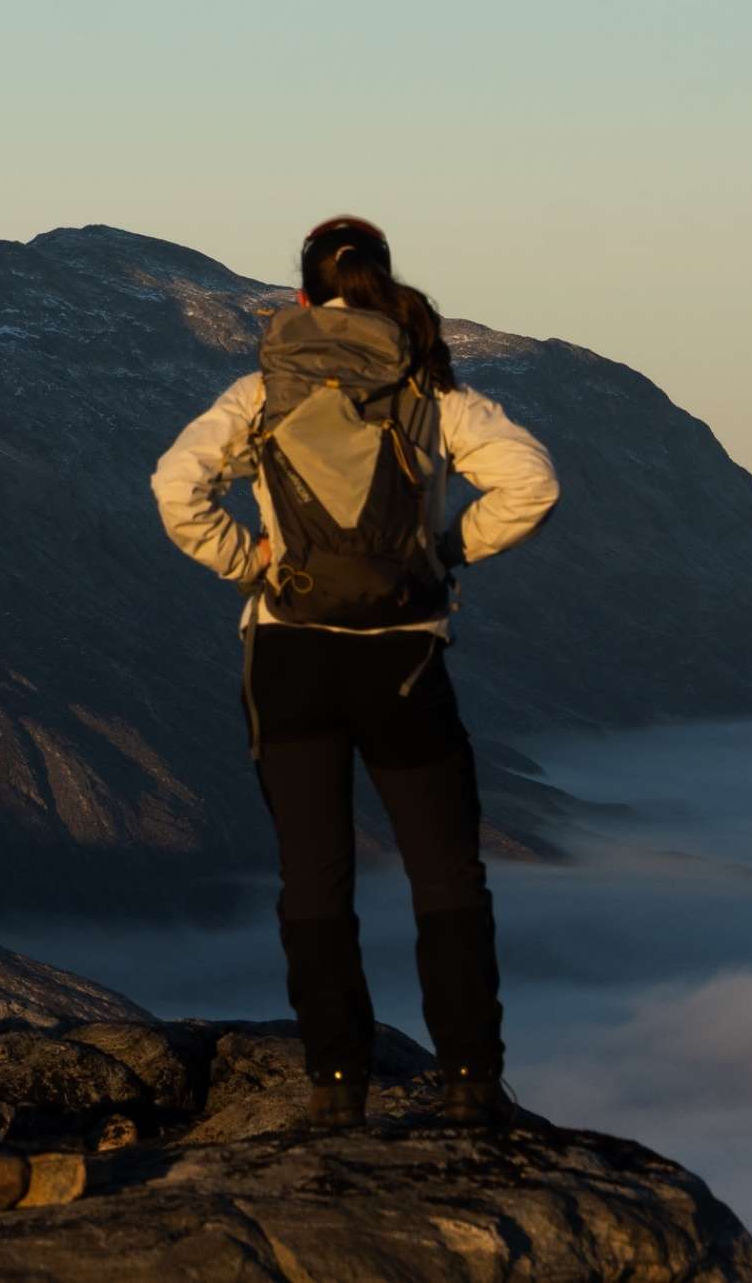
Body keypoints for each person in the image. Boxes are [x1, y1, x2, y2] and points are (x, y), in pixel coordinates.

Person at [148, 213, 560, 1131]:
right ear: (383, 286)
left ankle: (336, 1088)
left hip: (290, 657)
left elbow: (177, 489)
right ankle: (468, 1082)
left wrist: (249, 560)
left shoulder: (260, 392)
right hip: (405, 658)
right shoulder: (432, 394)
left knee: (313, 877)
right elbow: (533, 483)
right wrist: (446, 550)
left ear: (301, 298)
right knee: (447, 875)